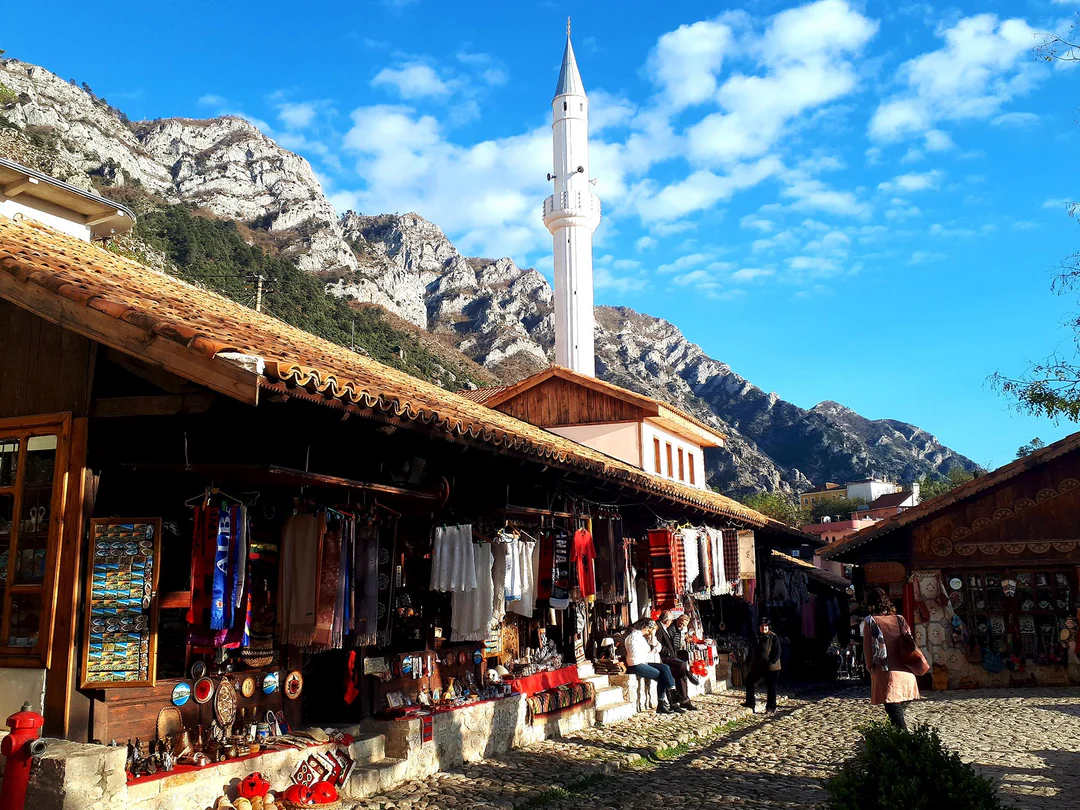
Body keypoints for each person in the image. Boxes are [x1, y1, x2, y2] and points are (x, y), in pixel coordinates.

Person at [862, 587, 920, 730]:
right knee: (897, 712)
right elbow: (910, 643)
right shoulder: (900, 620)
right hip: (906, 673)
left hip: (886, 672)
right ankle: (899, 742)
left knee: (895, 716)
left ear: (871, 605)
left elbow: (868, 650)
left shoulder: (871, 622)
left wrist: (870, 667)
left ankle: (905, 746)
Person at [623, 618, 684, 714]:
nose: (649, 632)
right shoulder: (634, 637)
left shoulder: (641, 637)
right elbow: (636, 653)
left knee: (665, 668)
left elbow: (653, 647)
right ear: (644, 628)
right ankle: (662, 702)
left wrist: (652, 640)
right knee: (661, 675)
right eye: (648, 630)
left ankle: (672, 691)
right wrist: (651, 650)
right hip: (636, 664)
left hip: (643, 661)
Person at [656, 611, 700, 710]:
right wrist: (669, 653)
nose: (681, 625)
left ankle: (685, 701)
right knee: (681, 666)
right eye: (680, 623)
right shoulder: (668, 628)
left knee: (681, 676)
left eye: (684, 625)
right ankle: (689, 675)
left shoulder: (674, 629)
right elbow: (660, 644)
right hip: (665, 658)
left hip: (673, 656)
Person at [743, 616, 781, 713]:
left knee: (771, 687)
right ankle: (750, 702)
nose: (764, 628)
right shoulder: (757, 637)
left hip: (771, 667)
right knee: (749, 681)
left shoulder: (773, 637)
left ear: (768, 627)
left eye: (766, 626)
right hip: (758, 666)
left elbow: (777, 651)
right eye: (762, 626)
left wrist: (771, 662)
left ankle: (771, 707)